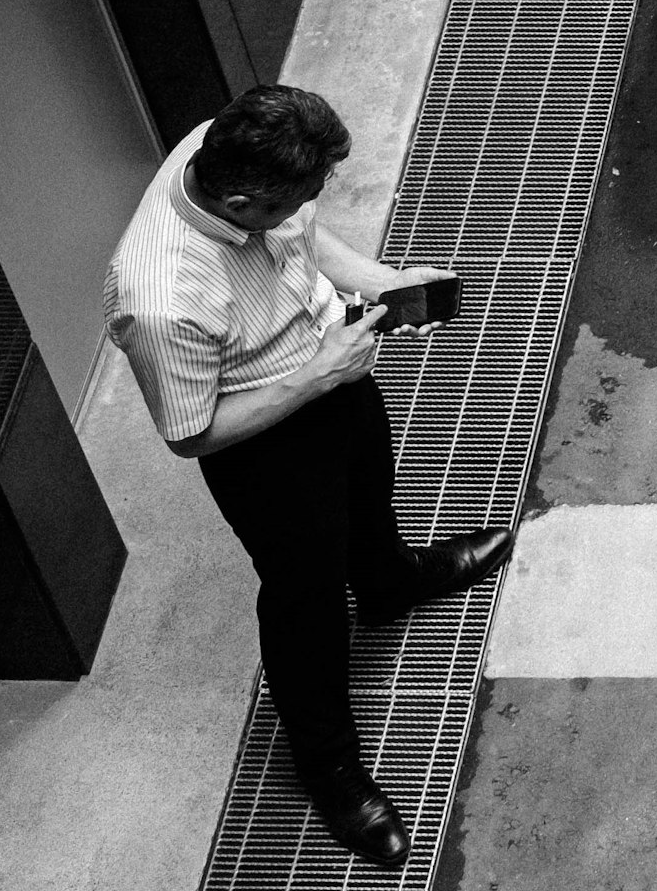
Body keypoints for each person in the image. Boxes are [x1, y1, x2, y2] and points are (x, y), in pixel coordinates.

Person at [105, 85, 511, 871]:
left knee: (370, 485)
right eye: (296, 196)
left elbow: (304, 240)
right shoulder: (160, 297)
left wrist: (384, 282)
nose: (311, 204)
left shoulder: (226, 145)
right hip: (262, 443)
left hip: (328, 369)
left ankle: (389, 579)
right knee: (306, 598)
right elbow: (191, 435)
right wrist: (318, 376)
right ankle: (328, 767)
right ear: (238, 198)